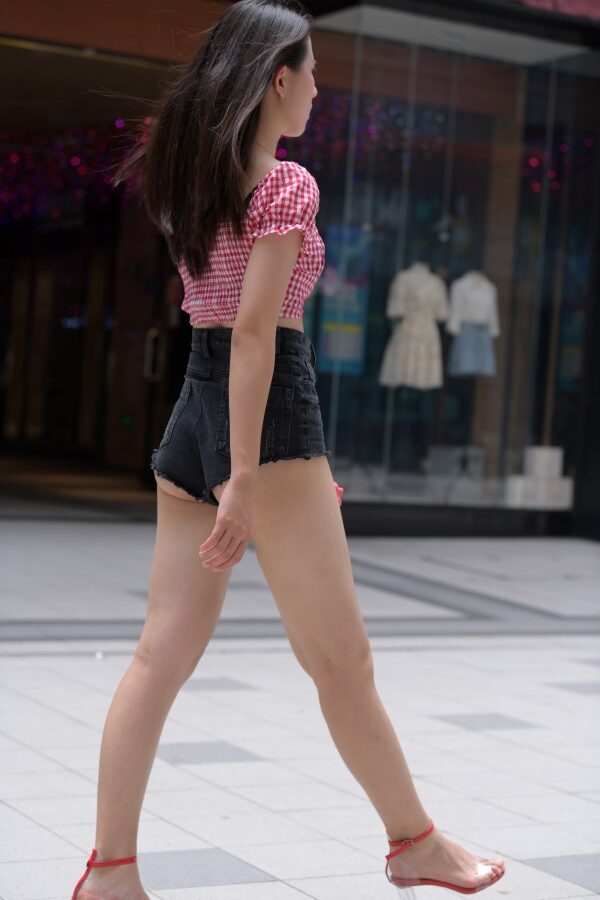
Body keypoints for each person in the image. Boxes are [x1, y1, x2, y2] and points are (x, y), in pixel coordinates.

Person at [70, 1, 506, 897]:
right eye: (312, 74)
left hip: (198, 412)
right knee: (343, 663)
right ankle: (414, 842)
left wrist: (254, 469)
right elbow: (257, 333)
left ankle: (109, 871)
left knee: (157, 658)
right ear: (278, 78)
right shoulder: (286, 186)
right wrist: (247, 477)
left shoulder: (188, 176)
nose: (318, 90)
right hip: (261, 425)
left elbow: (222, 332)